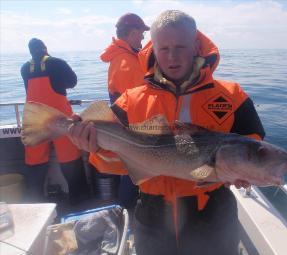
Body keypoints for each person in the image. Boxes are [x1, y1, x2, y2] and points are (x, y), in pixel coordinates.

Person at [69, 10, 265, 255]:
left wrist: (245, 171)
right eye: (164, 49)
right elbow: (117, 162)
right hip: (153, 214)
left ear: (195, 45)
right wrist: (93, 148)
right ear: (153, 47)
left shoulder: (232, 95)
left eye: (180, 47)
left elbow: (253, 142)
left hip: (212, 212)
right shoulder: (131, 100)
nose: (172, 57)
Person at [89, 13, 149, 208]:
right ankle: (127, 212)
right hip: (132, 131)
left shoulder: (122, 57)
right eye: (141, 33)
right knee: (131, 173)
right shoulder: (127, 62)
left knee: (129, 172)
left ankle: (127, 208)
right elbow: (139, 101)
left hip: (124, 128)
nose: (143, 37)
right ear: (132, 33)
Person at [21, 38, 89, 205]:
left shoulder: (24, 68)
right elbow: (72, 82)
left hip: (35, 121)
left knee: (35, 163)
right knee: (70, 159)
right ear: (45, 48)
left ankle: (36, 203)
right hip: (61, 120)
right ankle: (77, 200)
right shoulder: (57, 63)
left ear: (31, 52)